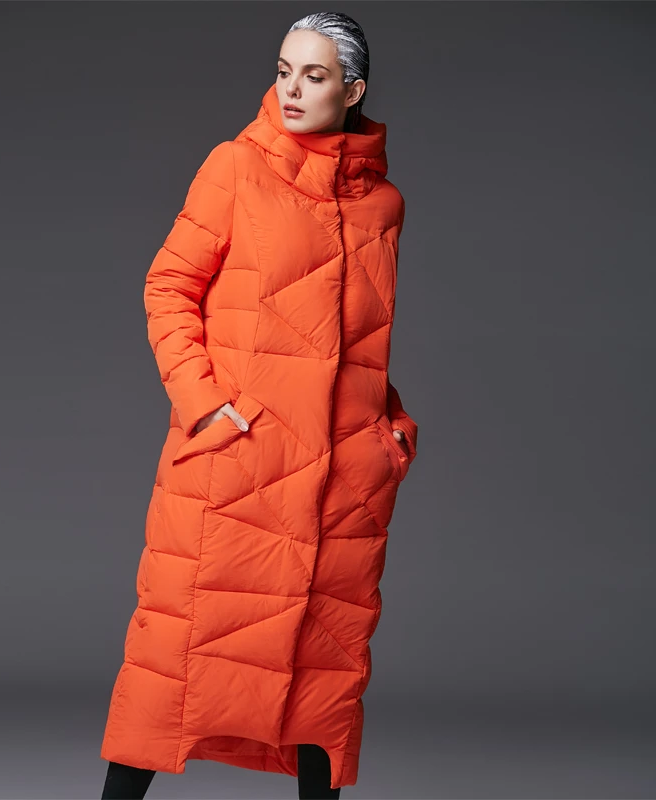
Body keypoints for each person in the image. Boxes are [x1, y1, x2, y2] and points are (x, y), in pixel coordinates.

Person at [100, 11, 419, 800]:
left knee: (322, 680)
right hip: (238, 468)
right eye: (283, 71)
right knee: (171, 669)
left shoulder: (382, 205)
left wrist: (389, 432)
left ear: (353, 90)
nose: (292, 89)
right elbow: (168, 288)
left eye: (314, 75)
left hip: (340, 484)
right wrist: (205, 407)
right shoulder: (234, 167)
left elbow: (362, 339)